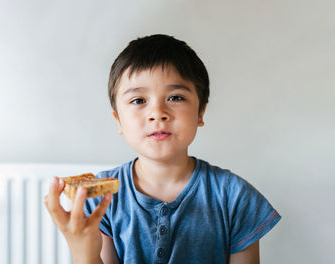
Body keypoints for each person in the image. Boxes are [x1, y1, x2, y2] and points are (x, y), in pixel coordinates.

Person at [44, 34, 281, 264]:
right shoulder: (101, 200)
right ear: (118, 120)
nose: (157, 113)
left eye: (175, 97)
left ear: (200, 112)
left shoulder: (236, 198)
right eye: (138, 100)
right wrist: (82, 253)